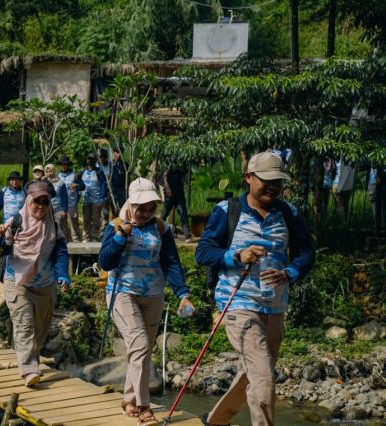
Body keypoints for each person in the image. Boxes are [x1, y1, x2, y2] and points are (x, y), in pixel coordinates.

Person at [195, 152, 315, 426]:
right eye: (266, 180)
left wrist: (290, 272)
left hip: (275, 305)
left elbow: (306, 253)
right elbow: (203, 252)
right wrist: (236, 256)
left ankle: (215, 420)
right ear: (249, 178)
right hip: (238, 303)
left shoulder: (288, 212)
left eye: (278, 182)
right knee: (264, 377)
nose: (273, 186)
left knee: (255, 371)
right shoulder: (227, 211)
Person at [98, 177, 194, 426]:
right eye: (141, 207)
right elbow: (105, 262)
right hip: (122, 293)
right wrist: (120, 236)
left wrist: (182, 293)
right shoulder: (115, 225)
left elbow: (171, 262)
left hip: (153, 294)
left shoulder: (161, 228)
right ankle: (144, 408)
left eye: (151, 207)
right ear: (130, 204)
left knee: (143, 350)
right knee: (139, 344)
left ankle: (128, 400)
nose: (146, 212)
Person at [0, 182, 70, 387]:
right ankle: (28, 369)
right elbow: (0, 250)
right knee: (24, 323)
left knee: (41, 327)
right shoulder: (16, 221)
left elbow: (61, 252)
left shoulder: (53, 225)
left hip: (45, 283)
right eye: (38, 201)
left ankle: (30, 357)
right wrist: (0, 236)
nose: (41, 206)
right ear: (29, 201)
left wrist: (63, 274)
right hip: (17, 280)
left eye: (46, 202)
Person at [57, 155, 85, 242]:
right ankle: (64, 244)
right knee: (61, 226)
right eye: (62, 164)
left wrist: (76, 185)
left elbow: (83, 186)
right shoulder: (57, 176)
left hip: (72, 204)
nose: (64, 166)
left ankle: (77, 244)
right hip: (60, 206)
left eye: (65, 164)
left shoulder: (75, 175)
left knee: (74, 226)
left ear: (68, 165)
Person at [160, 165, 192, 242]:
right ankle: (158, 232)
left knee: (183, 214)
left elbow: (185, 171)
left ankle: (187, 234)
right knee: (164, 214)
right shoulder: (165, 168)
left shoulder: (180, 168)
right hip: (169, 195)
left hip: (179, 195)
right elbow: (161, 182)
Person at [81, 152, 107, 242]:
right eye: (89, 159)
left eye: (92, 159)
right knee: (86, 220)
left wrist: (102, 198)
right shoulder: (82, 171)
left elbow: (103, 185)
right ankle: (86, 237)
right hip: (86, 199)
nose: (90, 161)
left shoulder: (99, 172)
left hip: (97, 200)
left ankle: (95, 236)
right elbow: (79, 184)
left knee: (96, 219)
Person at [45, 163, 68, 235]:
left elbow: (65, 196)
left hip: (58, 210)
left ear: (54, 171)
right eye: (47, 171)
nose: (49, 173)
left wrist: (64, 210)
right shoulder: (43, 182)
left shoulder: (60, 182)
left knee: (60, 230)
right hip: (47, 210)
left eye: (50, 171)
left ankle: (63, 245)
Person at [368, 162, 386, 232]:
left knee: (378, 207)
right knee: (377, 206)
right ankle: (378, 226)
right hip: (375, 182)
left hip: (376, 183)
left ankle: (379, 226)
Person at [110, 147, 127, 215]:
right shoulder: (111, 163)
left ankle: (121, 220)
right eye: (117, 153)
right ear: (114, 153)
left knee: (122, 207)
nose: (118, 154)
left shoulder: (125, 164)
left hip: (122, 189)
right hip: (113, 189)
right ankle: (114, 220)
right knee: (113, 207)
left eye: (120, 153)